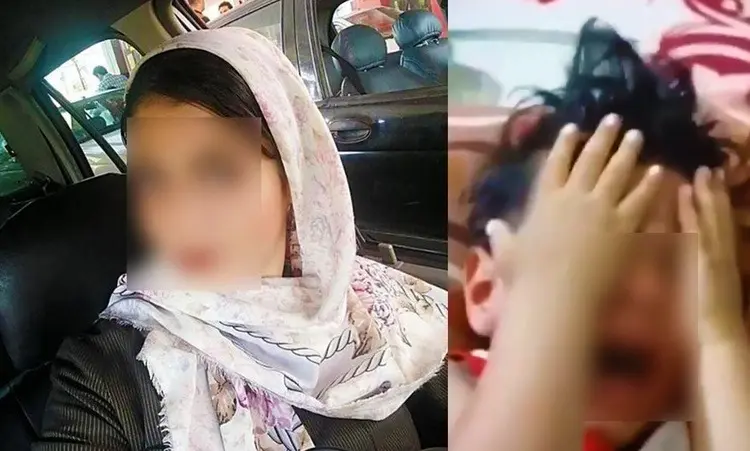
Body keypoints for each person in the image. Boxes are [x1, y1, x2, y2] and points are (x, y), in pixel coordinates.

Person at [34, 28, 447, 451]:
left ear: (293, 179)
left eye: (218, 172)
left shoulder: (370, 301)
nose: (181, 217)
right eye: (152, 179)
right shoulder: (107, 371)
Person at [448, 19, 750, 451]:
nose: (647, 289)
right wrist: (556, 295)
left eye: (679, 267)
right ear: (482, 291)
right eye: (595, 254)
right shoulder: (460, 392)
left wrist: (720, 338)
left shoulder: (696, 426)